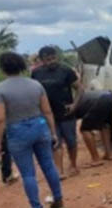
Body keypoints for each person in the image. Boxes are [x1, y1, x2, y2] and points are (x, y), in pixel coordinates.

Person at [0, 52, 65, 208]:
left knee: (27, 173)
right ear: (21, 66)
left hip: (17, 131)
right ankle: (58, 200)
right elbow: (47, 111)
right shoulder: (35, 84)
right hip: (39, 126)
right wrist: (53, 132)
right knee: (48, 164)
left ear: (3, 68)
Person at [31, 46, 80, 177]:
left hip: (66, 112)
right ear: (41, 60)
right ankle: (59, 170)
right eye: (47, 59)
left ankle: (73, 165)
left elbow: (80, 88)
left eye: (53, 58)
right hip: (47, 114)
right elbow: (34, 93)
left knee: (71, 141)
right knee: (55, 141)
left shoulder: (66, 71)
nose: (51, 61)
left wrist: (75, 104)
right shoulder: (36, 73)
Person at [65, 89, 112, 167]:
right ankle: (109, 154)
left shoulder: (68, 107)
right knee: (105, 125)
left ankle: (96, 159)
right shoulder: (73, 98)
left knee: (85, 129)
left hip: (101, 100)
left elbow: (70, 128)